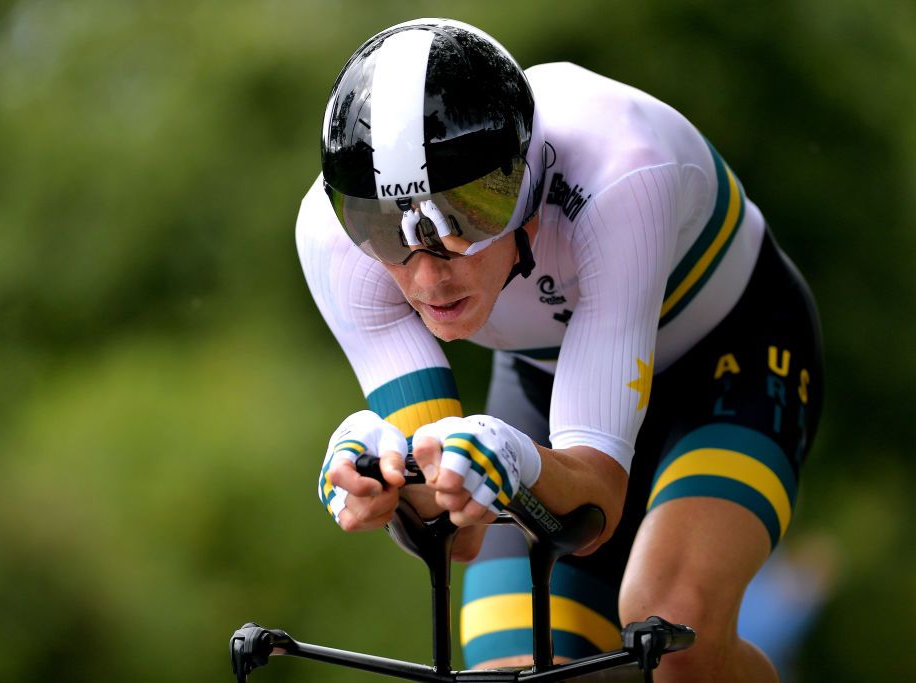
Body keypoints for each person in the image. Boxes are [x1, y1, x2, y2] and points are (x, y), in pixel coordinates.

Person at [296, 18, 823, 682]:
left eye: (466, 214)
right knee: (517, 670)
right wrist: (387, 480)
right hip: (549, 378)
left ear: (528, 181)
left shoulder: (620, 172)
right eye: (383, 230)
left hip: (729, 357)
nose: (427, 275)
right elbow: (456, 530)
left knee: (673, 625)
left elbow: (596, 501)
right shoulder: (332, 243)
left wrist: (509, 458)